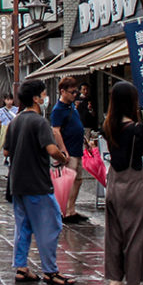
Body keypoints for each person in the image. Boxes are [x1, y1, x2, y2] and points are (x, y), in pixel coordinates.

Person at [4, 78, 74, 285]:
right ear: (35, 98)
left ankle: (21, 268)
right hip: (37, 182)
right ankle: (51, 270)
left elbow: (6, 150)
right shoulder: (39, 122)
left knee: (23, 226)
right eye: (43, 94)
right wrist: (62, 157)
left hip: (17, 183)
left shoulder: (16, 121)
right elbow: (51, 150)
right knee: (50, 225)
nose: (45, 98)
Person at [101, 81, 143, 285]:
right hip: (133, 182)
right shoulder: (138, 129)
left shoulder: (108, 126)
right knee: (135, 234)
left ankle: (115, 280)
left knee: (113, 233)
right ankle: (133, 283)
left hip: (113, 181)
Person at [50, 76, 87, 223]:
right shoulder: (58, 109)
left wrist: (85, 140)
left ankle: (72, 209)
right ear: (62, 91)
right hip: (70, 150)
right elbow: (56, 131)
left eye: (76, 92)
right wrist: (63, 150)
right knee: (69, 181)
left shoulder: (71, 106)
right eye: (72, 92)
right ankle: (65, 211)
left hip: (78, 148)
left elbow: (76, 124)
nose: (75, 95)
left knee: (78, 179)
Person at [0, 94, 18, 164]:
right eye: (7, 100)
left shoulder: (16, 109)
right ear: (4, 100)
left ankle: (11, 157)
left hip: (14, 128)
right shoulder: (1, 111)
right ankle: (6, 157)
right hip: (5, 128)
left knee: (13, 143)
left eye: (11, 99)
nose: (9, 101)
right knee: (6, 143)